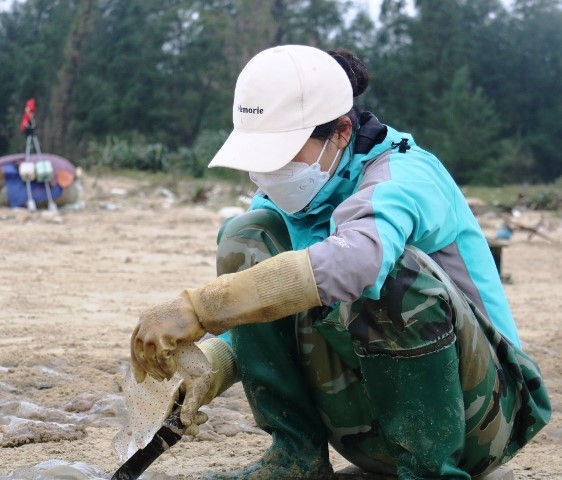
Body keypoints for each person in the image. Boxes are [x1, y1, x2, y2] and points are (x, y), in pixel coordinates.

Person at [129, 45, 551, 479]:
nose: (269, 174)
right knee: (246, 235)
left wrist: (202, 308)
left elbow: (357, 263)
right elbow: (276, 311)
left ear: (342, 132)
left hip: (480, 420)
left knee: (387, 272)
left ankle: (430, 471)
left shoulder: (403, 176)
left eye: (284, 154)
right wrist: (216, 364)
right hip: (372, 427)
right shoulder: (285, 202)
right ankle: (295, 459)